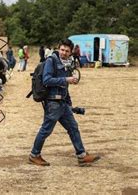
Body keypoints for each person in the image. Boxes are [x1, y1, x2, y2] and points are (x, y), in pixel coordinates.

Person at [29, 38, 100, 166]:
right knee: (46, 130)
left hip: (63, 103)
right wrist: (66, 79)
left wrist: (69, 103)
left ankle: (82, 156)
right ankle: (34, 155)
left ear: (71, 52)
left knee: (73, 127)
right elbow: (47, 80)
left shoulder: (67, 63)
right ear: (58, 49)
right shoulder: (52, 61)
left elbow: (65, 88)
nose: (64, 52)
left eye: (67, 51)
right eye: (62, 50)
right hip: (53, 103)